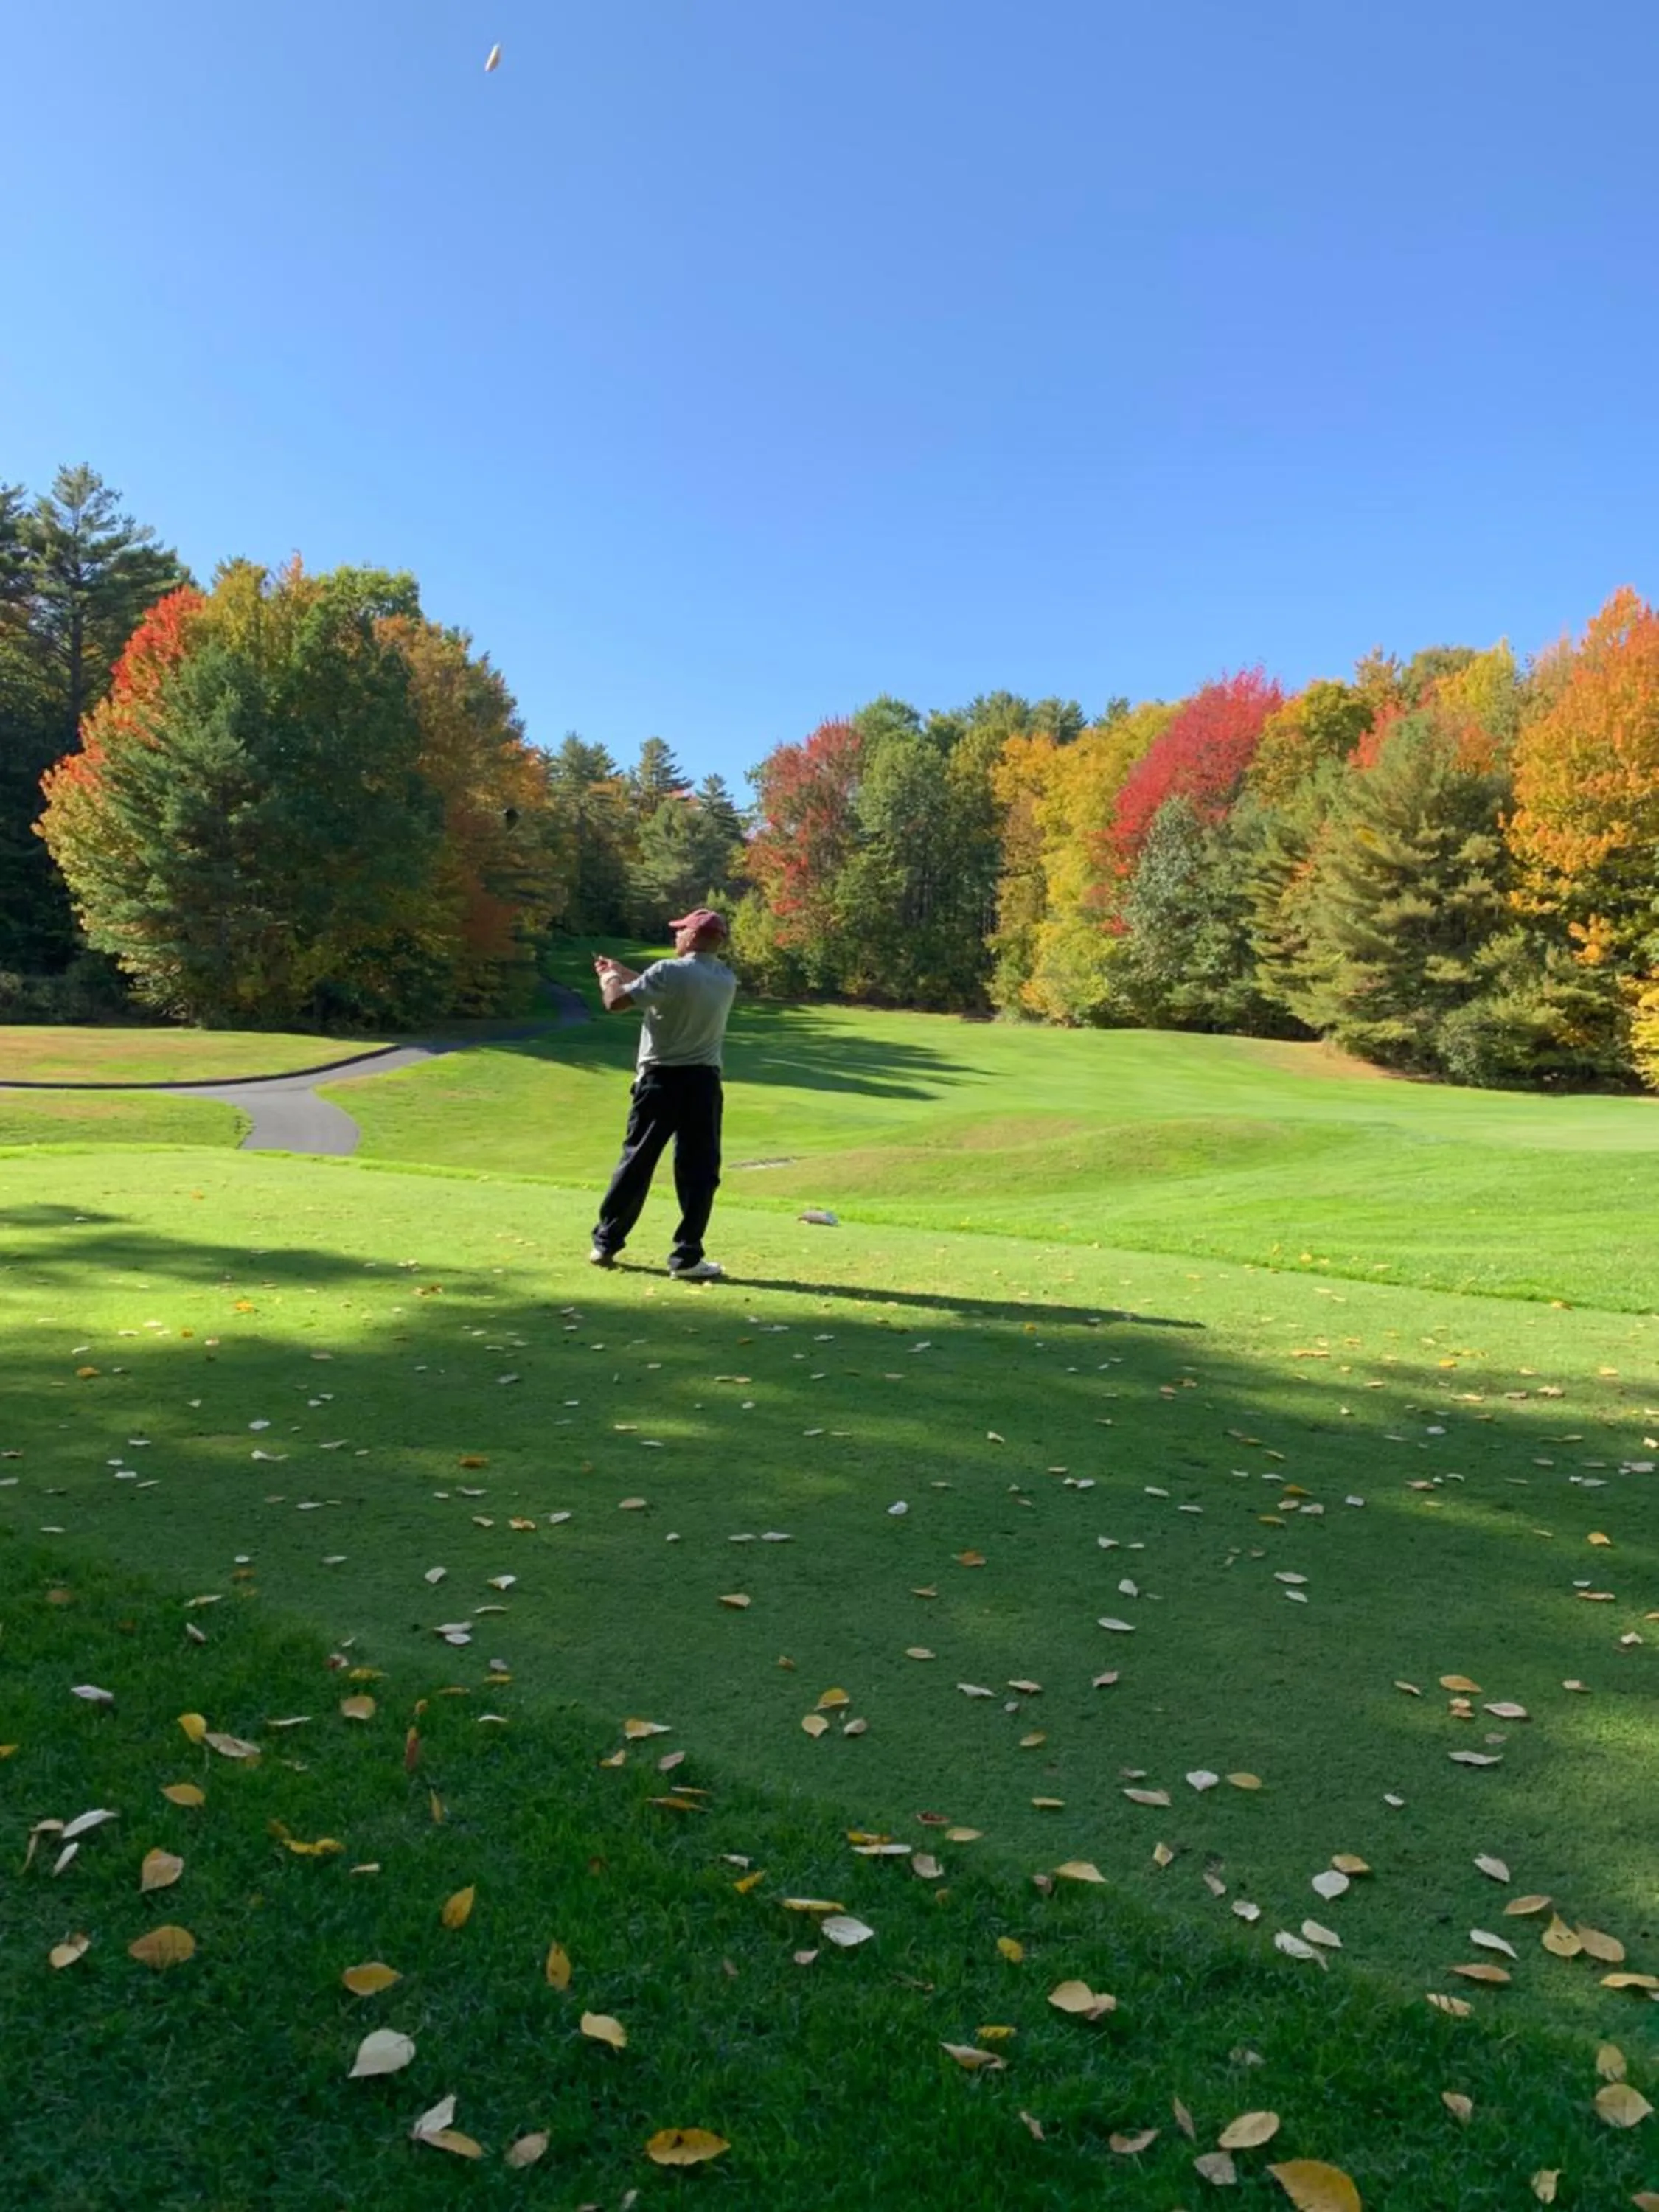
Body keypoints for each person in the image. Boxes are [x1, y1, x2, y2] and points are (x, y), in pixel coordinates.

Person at [589, 909, 737, 1279]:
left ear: (691, 937)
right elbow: (665, 993)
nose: (675, 938)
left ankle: (606, 1242)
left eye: (680, 931)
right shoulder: (724, 977)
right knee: (700, 1170)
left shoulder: (667, 972)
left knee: (637, 1162)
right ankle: (687, 1257)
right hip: (703, 1084)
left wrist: (609, 976)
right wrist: (625, 973)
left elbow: (616, 1003)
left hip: (661, 1082)